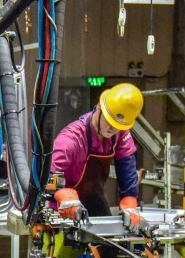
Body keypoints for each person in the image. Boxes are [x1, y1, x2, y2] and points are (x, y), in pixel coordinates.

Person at [50, 83, 142, 232]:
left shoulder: (120, 133)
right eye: (109, 122)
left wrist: (130, 201)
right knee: (67, 250)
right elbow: (50, 177)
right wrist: (64, 197)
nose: (112, 129)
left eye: (119, 126)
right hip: (64, 205)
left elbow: (127, 166)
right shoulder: (69, 140)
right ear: (99, 108)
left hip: (94, 199)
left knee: (109, 249)